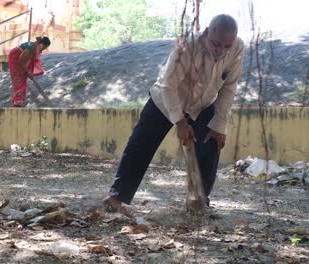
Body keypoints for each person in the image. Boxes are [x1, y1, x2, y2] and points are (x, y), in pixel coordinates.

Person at [103, 14, 245, 215]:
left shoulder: (238, 47)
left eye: (226, 46)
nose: (221, 51)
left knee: (212, 141)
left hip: (203, 104)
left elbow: (229, 88)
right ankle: (117, 197)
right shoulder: (187, 47)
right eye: (216, 44)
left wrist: (219, 125)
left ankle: (199, 203)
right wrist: (179, 122)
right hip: (166, 99)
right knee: (140, 143)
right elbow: (168, 86)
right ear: (206, 33)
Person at [8, 36, 51, 107]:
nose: (42, 50)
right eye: (44, 48)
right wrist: (28, 72)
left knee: (23, 79)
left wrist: (28, 72)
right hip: (15, 57)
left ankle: (20, 100)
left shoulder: (35, 47)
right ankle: (18, 101)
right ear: (42, 44)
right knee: (19, 78)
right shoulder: (31, 48)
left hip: (20, 59)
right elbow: (21, 61)